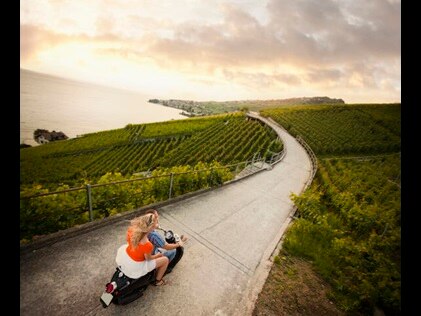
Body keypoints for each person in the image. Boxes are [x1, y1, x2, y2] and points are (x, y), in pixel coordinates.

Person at [115, 213, 169, 286]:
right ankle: (158, 281)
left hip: (126, 256)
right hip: (136, 265)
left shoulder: (131, 229)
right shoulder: (147, 244)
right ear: (152, 227)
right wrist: (158, 255)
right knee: (165, 260)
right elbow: (148, 259)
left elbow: (128, 241)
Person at [144, 209, 188, 274]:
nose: (157, 219)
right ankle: (163, 269)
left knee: (162, 248)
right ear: (152, 221)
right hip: (151, 256)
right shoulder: (153, 235)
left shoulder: (143, 228)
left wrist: (156, 227)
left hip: (145, 253)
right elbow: (166, 246)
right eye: (156, 217)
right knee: (173, 251)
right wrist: (179, 244)